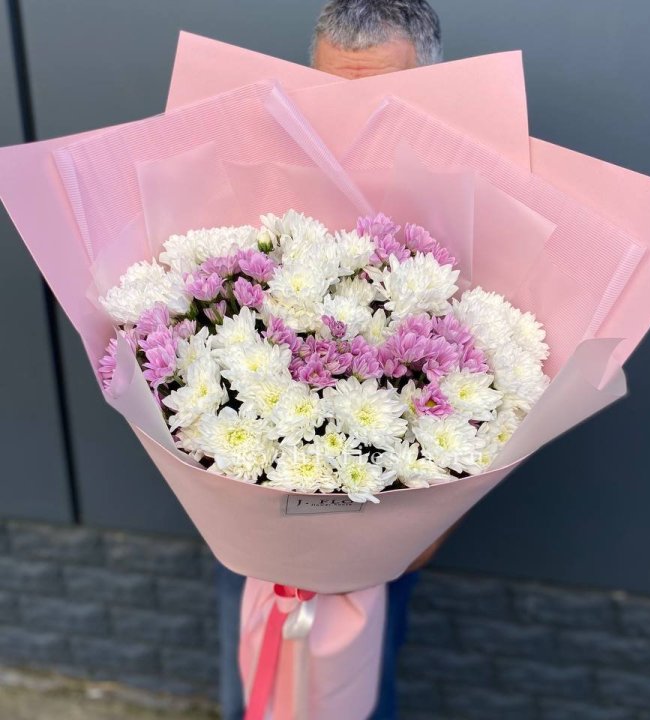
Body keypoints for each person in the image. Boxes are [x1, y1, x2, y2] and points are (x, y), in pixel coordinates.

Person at [216, 3, 444, 719]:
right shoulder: (255, 182)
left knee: (356, 693)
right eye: (329, 94)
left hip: (388, 518)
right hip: (251, 514)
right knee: (250, 687)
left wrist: (434, 518)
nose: (350, 123)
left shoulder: (461, 200)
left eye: (378, 97)